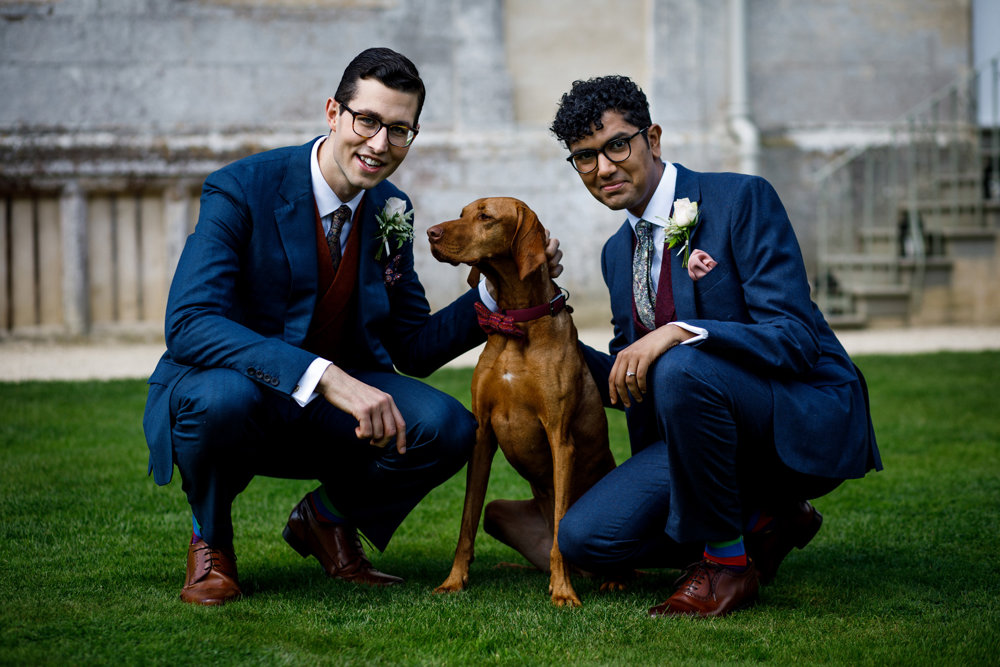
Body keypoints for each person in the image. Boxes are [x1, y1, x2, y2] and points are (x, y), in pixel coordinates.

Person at [142, 47, 560, 606]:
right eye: (367, 120)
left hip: (330, 415)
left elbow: (411, 347)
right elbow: (190, 323)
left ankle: (327, 518)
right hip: (236, 393)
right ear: (333, 113)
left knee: (448, 426)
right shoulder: (240, 188)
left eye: (400, 130)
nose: (380, 144)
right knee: (221, 400)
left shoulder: (392, 208)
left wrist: (496, 290)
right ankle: (212, 542)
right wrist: (324, 375)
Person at [487, 75, 881, 618]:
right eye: (583, 157)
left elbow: (794, 338)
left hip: (797, 411)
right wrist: (542, 325)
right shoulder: (615, 254)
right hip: (698, 437)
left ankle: (726, 566)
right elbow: (630, 379)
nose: (603, 168)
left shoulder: (741, 199)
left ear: (654, 138)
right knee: (585, 541)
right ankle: (766, 519)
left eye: (617, 145)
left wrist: (678, 332)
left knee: (681, 365)